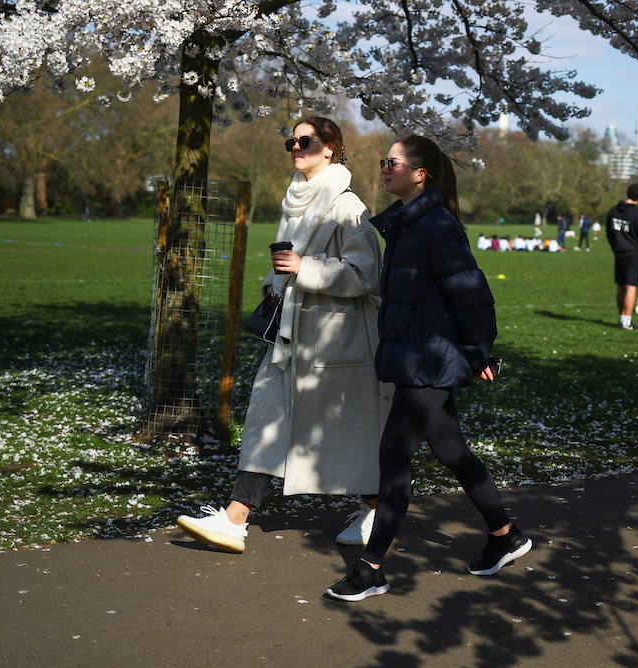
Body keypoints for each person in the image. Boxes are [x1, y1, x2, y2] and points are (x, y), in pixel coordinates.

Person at [324, 134, 531, 602]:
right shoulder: (405, 226)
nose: (384, 168)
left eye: (392, 162)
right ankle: (505, 534)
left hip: (431, 359)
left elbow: (471, 293)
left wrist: (478, 353)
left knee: (394, 455)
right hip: (417, 356)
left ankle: (371, 569)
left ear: (421, 173)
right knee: (450, 449)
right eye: (383, 161)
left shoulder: (436, 226)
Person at [177, 117, 390, 554]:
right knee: (266, 417)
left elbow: (366, 273)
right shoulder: (295, 200)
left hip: (337, 340)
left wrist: (303, 269)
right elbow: (293, 262)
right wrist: (277, 284)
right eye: (291, 140)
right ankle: (235, 519)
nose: (296, 146)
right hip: (295, 336)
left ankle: (376, 507)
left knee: (344, 430)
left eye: (306, 140)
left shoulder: (347, 205)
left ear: (331, 148)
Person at [606, 183, 638, 330]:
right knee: (631, 287)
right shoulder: (637, 213)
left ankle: (621, 318)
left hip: (619, 253)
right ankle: (627, 321)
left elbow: (609, 233)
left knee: (620, 286)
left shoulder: (613, 211)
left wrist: (615, 248)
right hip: (634, 254)